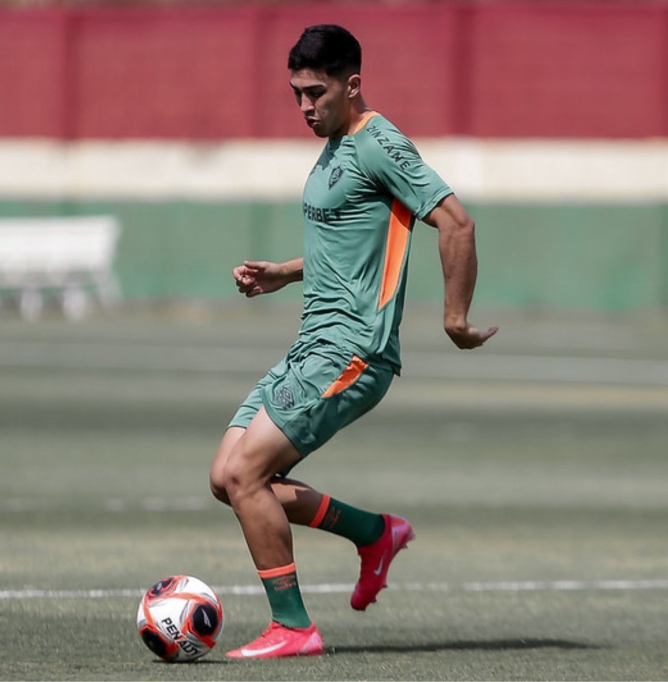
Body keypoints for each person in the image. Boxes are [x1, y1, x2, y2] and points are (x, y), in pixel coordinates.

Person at [209, 24, 498, 659]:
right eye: (296, 94)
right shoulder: (336, 143)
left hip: (351, 351)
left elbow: (456, 221)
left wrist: (455, 318)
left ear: (352, 85)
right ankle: (374, 534)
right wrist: (285, 272)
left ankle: (293, 628)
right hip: (311, 344)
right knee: (225, 478)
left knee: (245, 474)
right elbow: (348, 248)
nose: (305, 106)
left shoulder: (379, 143)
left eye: (316, 92)